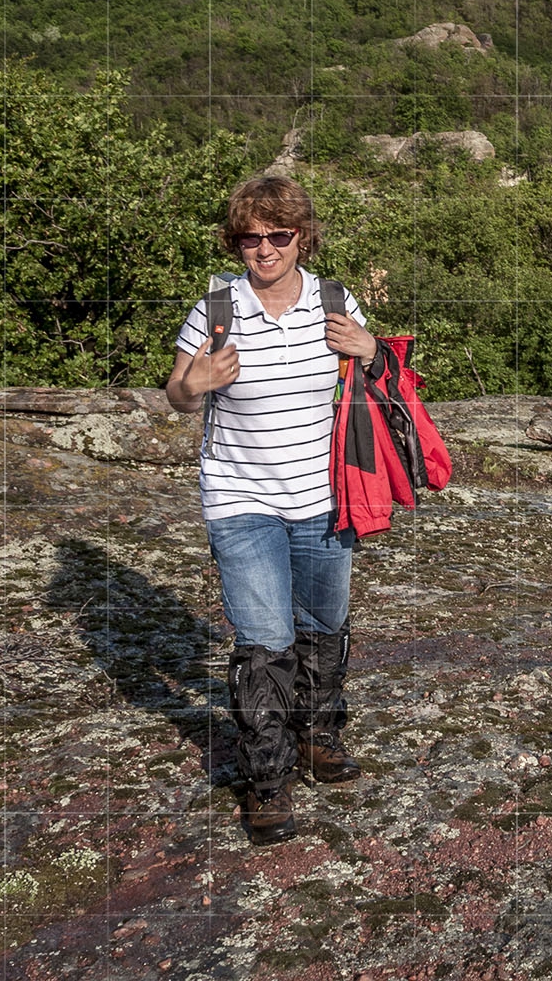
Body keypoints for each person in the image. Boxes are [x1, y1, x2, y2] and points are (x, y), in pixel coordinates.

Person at [164, 175, 379, 846]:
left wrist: (369, 352)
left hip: (324, 497)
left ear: (301, 237)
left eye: (277, 235)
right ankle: (266, 778)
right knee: (264, 642)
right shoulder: (216, 310)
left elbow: (375, 379)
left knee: (324, 624)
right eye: (249, 237)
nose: (263, 249)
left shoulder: (337, 303)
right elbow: (178, 392)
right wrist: (191, 386)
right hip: (241, 499)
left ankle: (318, 739)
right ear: (237, 242)